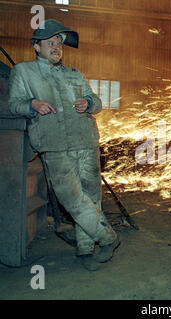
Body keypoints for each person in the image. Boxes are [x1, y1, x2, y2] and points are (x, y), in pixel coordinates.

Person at [8, 19, 120, 271]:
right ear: (36, 46)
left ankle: (85, 251)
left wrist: (88, 104)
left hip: (86, 141)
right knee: (71, 198)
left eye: (59, 43)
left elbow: (97, 102)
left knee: (91, 198)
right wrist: (32, 104)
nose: (57, 46)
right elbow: (14, 104)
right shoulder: (24, 72)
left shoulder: (74, 74)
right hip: (55, 145)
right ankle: (108, 238)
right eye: (51, 42)